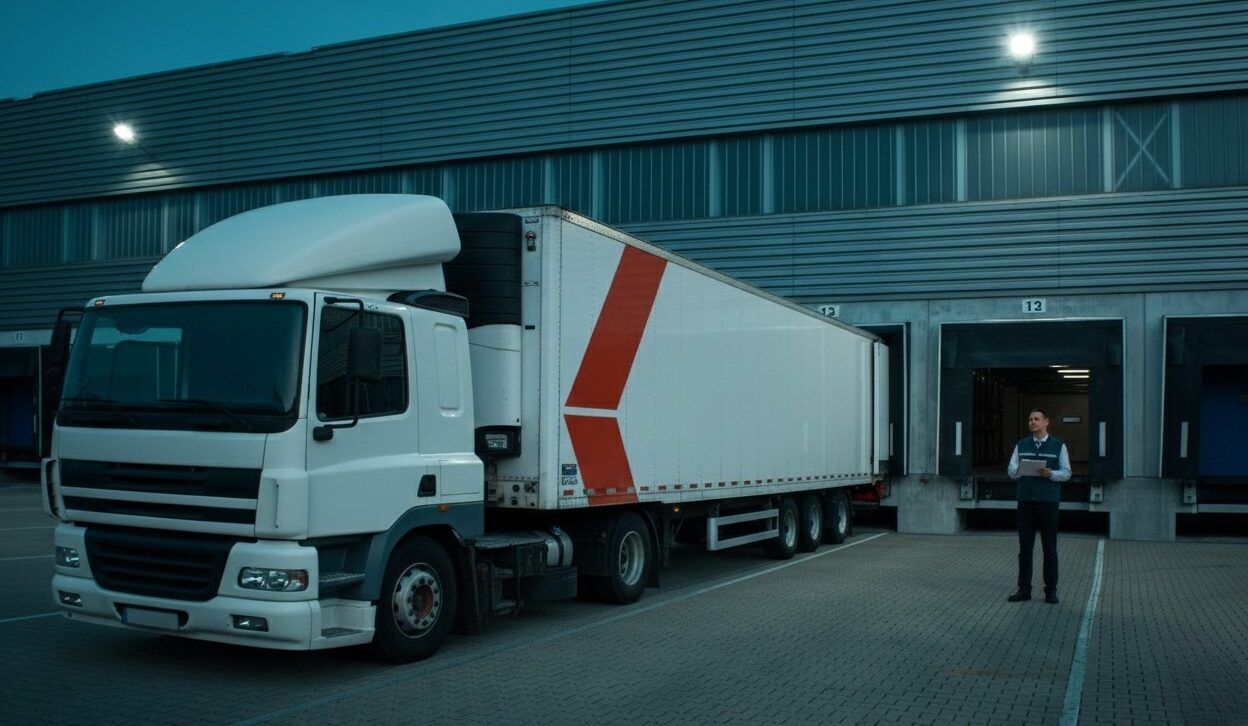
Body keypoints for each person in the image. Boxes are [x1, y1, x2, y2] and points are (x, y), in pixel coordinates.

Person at [1006, 408, 1071, 604]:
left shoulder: (1059, 445)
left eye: (1036, 419)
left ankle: (1050, 591)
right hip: (1025, 502)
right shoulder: (1021, 444)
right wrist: (1020, 471)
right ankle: (1024, 589)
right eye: (1030, 419)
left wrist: (1050, 473)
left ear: (1046, 422)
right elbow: (1011, 470)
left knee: (1049, 548)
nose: (1032, 422)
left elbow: (1067, 472)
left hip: (1048, 503)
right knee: (1025, 548)